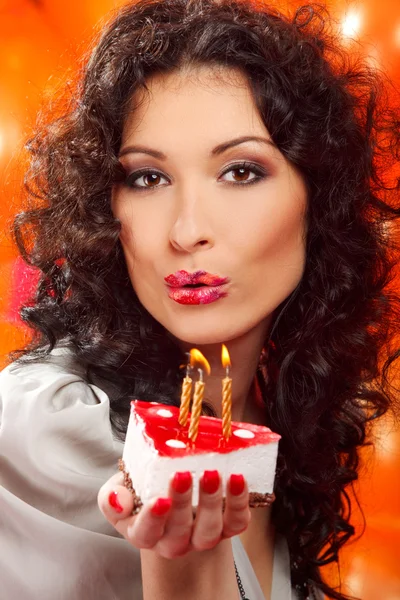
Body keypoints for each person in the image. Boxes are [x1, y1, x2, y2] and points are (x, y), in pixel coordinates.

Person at [1, 0, 399, 598]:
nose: (186, 230)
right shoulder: (41, 427)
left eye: (240, 172)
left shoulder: (279, 428)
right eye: (147, 177)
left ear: (317, 200)